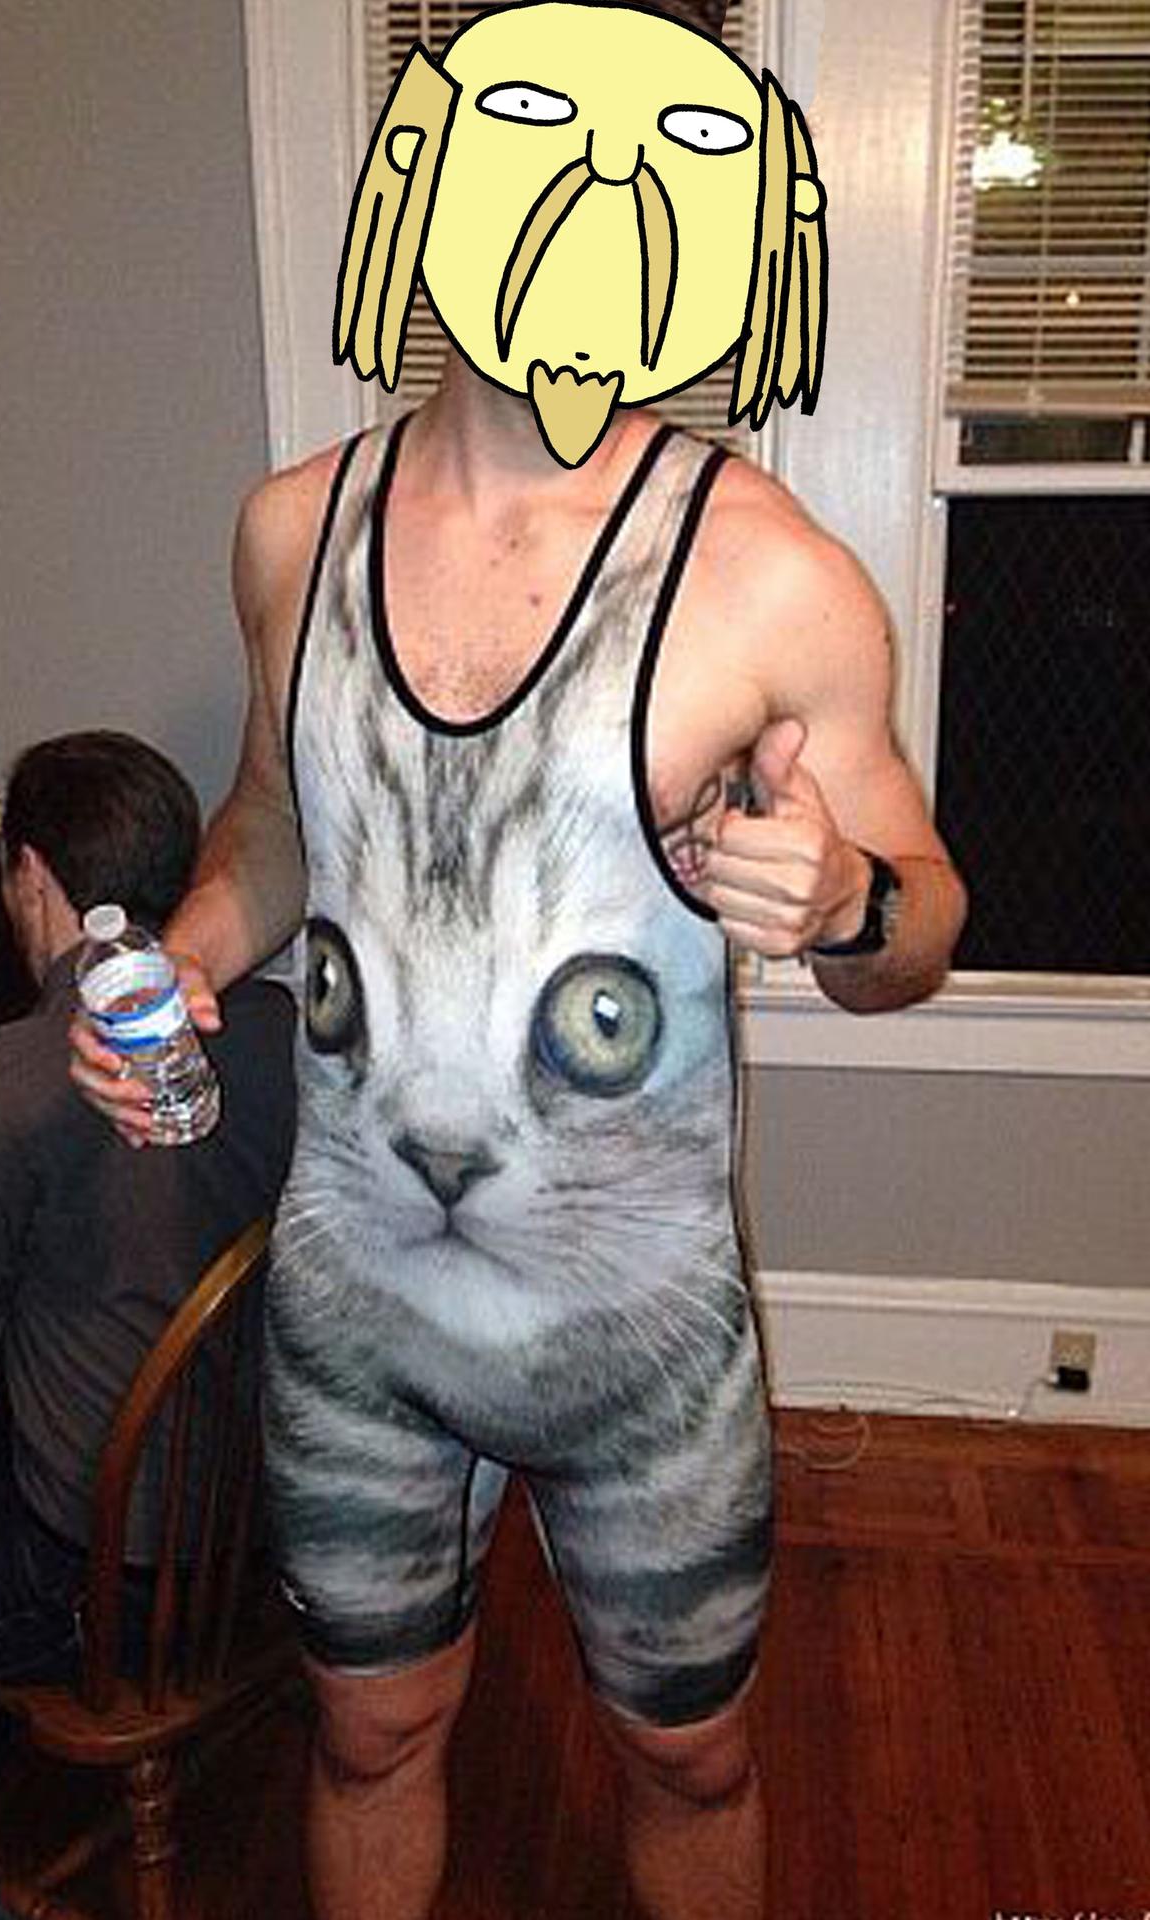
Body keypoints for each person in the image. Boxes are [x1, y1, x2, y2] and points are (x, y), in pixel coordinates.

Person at [74, 9, 967, 1918]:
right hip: (353, 1304)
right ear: (432, 182)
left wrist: (839, 903)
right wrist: (183, 958)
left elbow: (920, 920)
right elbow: (271, 825)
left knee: (686, 1756)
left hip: (633, 1330)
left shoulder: (766, 575)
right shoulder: (289, 530)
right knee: (367, 1737)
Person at [0, 731, 296, 1919]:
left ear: (31, 875)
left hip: (99, 1587)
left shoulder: (2, 1079)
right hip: (258, 1523)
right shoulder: (276, 1028)